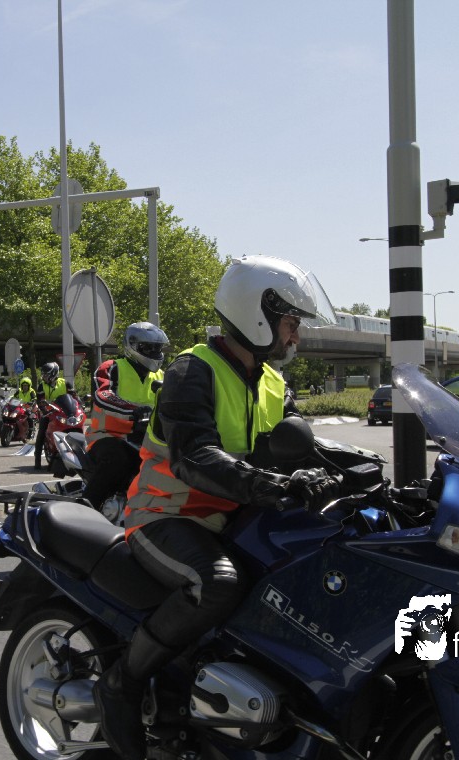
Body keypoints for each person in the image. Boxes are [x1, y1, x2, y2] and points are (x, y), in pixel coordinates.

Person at [92, 255, 340, 759]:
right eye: (291, 323)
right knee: (218, 582)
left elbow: (306, 446)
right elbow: (195, 456)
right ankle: (122, 682)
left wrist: (371, 478)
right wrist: (270, 485)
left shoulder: (271, 382)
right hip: (167, 514)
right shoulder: (192, 370)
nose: (295, 336)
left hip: (235, 518)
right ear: (258, 314)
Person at [81, 321, 168, 511]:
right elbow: (103, 395)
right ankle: (85, 508)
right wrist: (133, 410)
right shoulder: (112, 367)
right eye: (149, 348)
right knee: (117, 460)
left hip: (146, 439)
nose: (155, 352)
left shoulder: (161, 376)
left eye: (158, 348)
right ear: (133, 346)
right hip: (108, 436)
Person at [33, 362, 71, 470]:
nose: (44, 377)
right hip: (48, 413)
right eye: (43, 374)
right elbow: (40, 400)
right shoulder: (42, 386)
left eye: (46, 374)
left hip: (64, 413)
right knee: (41, 433)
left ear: (53, 374)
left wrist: (80, 405)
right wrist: (44, 411)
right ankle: (37, 460)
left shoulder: (65, 383)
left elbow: (74, 397)